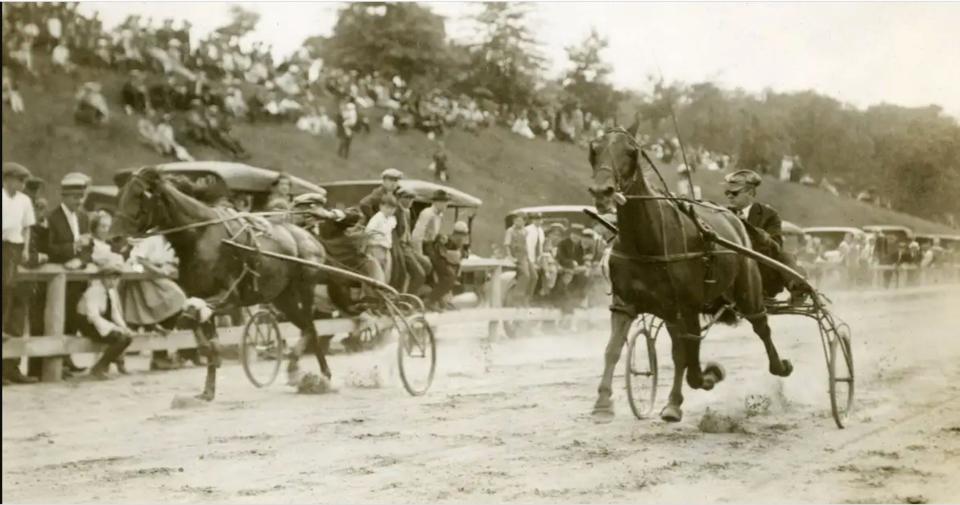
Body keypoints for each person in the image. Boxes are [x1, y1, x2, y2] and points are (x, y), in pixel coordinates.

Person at [723, 169, 807, 302]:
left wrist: (750, 228)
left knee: (786, 256)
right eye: (727, 192)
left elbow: (775, 246)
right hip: (730, 271)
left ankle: (798, 287)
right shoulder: (722, 215)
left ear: (750, 193)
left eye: (734, 192)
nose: (729, 197)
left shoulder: (769, 215)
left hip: (761, 273)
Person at [122, 234, 195, 370]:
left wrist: (164, 269)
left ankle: (159, 354)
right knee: (173, 298)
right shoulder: (153, 240)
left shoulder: (173, 245)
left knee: (176, 302)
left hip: (157, 279)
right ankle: (118, 358)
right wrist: (156, 269)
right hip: (140, 278)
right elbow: (138, 259)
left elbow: (171, 265)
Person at [2, 163, 39, 384]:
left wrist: (25, 249)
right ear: (7, 179)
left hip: (14, 247)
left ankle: (10, 368)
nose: (22, 185)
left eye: (24, 181)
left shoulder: (24, 201)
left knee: (13, 293)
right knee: (5, 288)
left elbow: (27, 227)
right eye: (19, 180)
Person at [75, 257, 134, 380]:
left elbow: (114, 313)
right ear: (102, 278)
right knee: (120, 338)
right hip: (87, 323)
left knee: (127, 337)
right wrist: (115, 329)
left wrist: (124, 327)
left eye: (115, 279)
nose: (112, 282)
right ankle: (99, 368)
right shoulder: (94, 291)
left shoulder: (111, 292)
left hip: (100, 322)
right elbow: (93, 316)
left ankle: (103, 365)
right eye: (109, 278)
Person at [394, 186, 429, 295]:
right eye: (408, 198)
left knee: (427, 265)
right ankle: (407, 300)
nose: (410, 201)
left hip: (407, 246)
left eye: (412, 198)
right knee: (420, 274)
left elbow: (408, 230)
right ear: (400, 198)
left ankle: (411, 291)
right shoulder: (395, 211)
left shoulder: (407, 212)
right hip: (399, 246)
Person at [364, 194, 398, 283]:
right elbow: (368, 232)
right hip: (375, 248)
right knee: (376, 276)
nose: (389, 210)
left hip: (386, 249)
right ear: (381, 207)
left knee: (386, 274)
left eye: (392, 208)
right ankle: (371, 295)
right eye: (387, 207)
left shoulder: (391, 219)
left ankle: (382, 294)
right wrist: (379, 236)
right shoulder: (377, 218)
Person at [504, 212, 533, 306]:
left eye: (521, 220)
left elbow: (528, 245)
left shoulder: (526, 232)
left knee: (532, 276)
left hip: (524, 255)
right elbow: (507, 244)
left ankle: (525, 297)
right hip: (515, 255)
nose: (519, 222)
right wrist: (510, 256)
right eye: (517, 220)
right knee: (525, 275)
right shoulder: (510, 231)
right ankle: (517, 296)